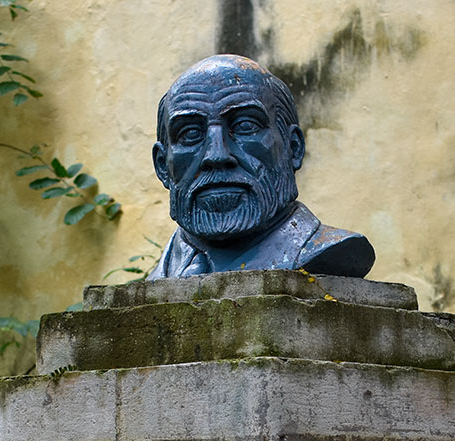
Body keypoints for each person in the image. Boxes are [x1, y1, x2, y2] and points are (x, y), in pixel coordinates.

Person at [148, 55, 374, 279]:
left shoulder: (327, 252)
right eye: (190, 134)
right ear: (162, 167)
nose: (216, 155)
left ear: (292, 147)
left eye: (245, 126)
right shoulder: (161, 277)